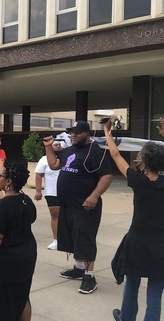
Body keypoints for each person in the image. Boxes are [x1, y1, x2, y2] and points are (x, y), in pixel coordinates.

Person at [44, 120, 113, 294]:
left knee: (85, 239)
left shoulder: (96, 152)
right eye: (71, 132)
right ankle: (79, 268)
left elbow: (106, 176)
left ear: (87, 134)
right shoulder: (69, 150)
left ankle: (89, 276)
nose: (73, 135)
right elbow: (54, 165)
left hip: (85, 205)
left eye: (77, 132)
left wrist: (94, 196)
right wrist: (48, 147)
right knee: (72, 238)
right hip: (68, 204)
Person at [107, 117, 164, 321]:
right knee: (155, 292)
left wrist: (107, 132)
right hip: (161, 243)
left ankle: (126, 318)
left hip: (138, 241)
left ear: (145, 163)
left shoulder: (138, 181)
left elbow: (115, 154)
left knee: (132, 284)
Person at [0, 162, 37, 321]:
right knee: (22, 297)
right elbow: (31, 219)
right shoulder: (26, 200)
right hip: (27, 256)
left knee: (0, 302)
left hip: (7, 261)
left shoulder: (2, 206)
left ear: (9, 181)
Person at [34, 134, 69, 250]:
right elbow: (38, 175)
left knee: (68, 215)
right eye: (55, 144)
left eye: (60, 144)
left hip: (67, 191)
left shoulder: (68, 158)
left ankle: (69, 239)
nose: (58, 146)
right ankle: (57, 239)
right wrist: (38, 191)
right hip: (51, 192)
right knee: (55, 215)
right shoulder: (44, 160)